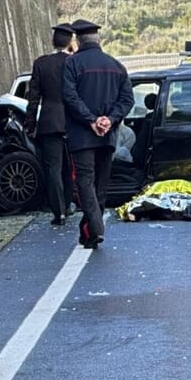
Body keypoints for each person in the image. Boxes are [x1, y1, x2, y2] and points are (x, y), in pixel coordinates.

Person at [62, 19, 134, 249]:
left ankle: (95, 226)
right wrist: (109, 119)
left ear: (78, 41)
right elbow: (127, 100)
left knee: (84, 181)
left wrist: (91, 120)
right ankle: (91, 232)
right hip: (108, 136)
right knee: (101, 184)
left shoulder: (72, 64)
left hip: (82, 137)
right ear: (98, 40)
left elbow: (69, 96)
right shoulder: (116, 66)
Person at [25, 24, 79, 225]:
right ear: (70, 42)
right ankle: (68, 203)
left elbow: (33, 98)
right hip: (73, 121)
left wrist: (30, 124)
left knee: (53, 168)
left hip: (49, 121)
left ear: (53, 41)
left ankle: (59, 212)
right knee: (70, 166)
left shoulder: (41, 64)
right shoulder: (74, 62)